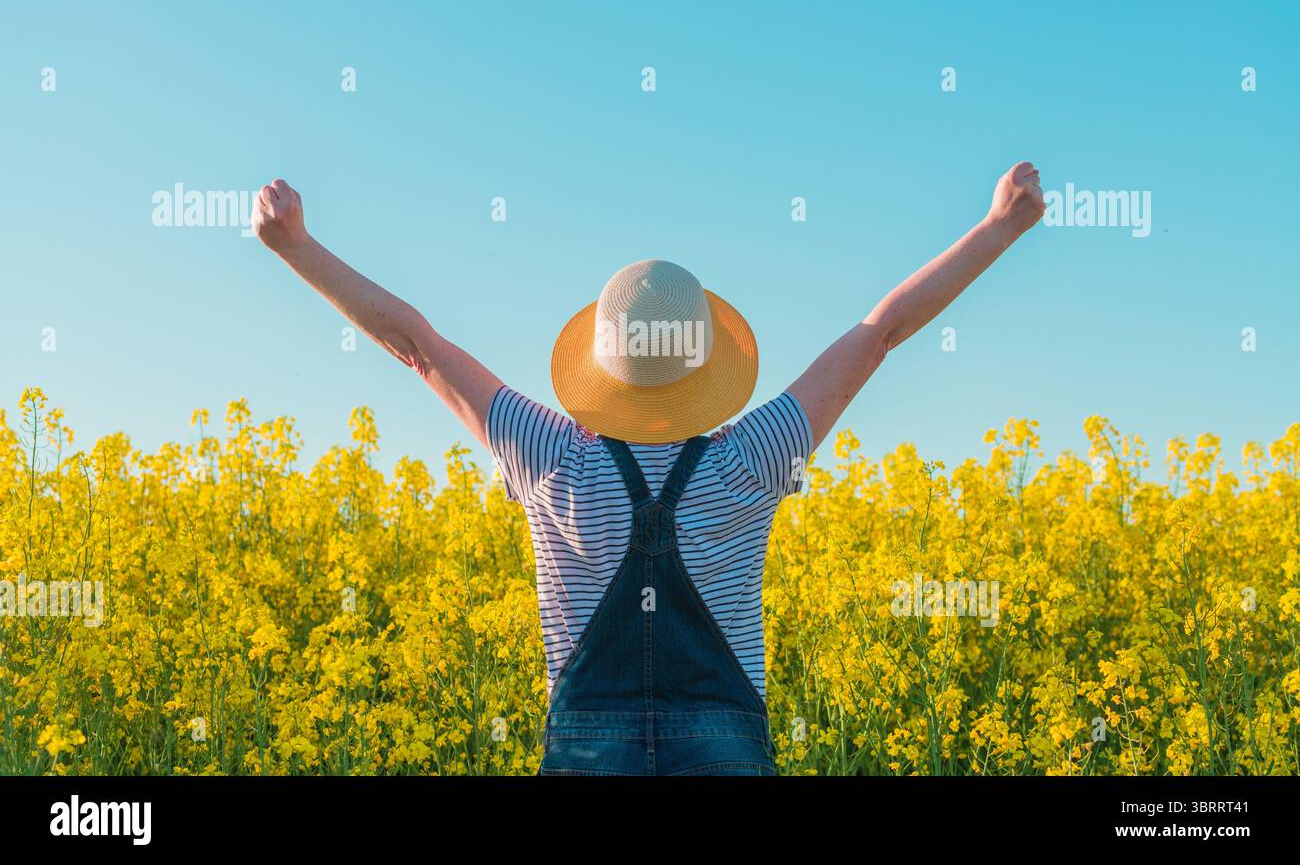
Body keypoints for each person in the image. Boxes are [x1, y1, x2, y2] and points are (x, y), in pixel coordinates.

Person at [250, 161, 1045, 775]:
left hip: (586, 746)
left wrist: (297, 247)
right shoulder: (753, 458)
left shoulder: (549, 451)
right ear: (705, 367)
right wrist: (998, 229)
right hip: (724, 741)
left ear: (600, 367)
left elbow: (416, 346)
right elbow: (879, 334)